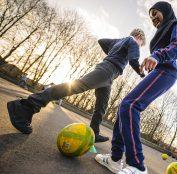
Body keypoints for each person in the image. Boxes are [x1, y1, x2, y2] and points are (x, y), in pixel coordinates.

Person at [95, 1, 177, 174]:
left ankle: (137, 166)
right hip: (158, 72)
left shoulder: (174, 25)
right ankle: (115, 159)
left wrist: (157, 56)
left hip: (167, 72)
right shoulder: (160, 32)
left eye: (156, 12)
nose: (153, 17)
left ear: (166, 11)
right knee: (124, 106)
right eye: (150, 15)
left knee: (130, 105)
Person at [7, 28, 146, 143]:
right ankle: (26, 106)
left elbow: (102, 41)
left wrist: (112, 53)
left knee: (102, 104)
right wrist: (140, 71)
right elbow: (134, 59)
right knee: (75, 86)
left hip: (109, 73)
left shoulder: (121, 40)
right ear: (139, 37)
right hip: (108, 70)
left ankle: (94, 132)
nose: (139, 46)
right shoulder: (133, 40)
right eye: (141, 44)